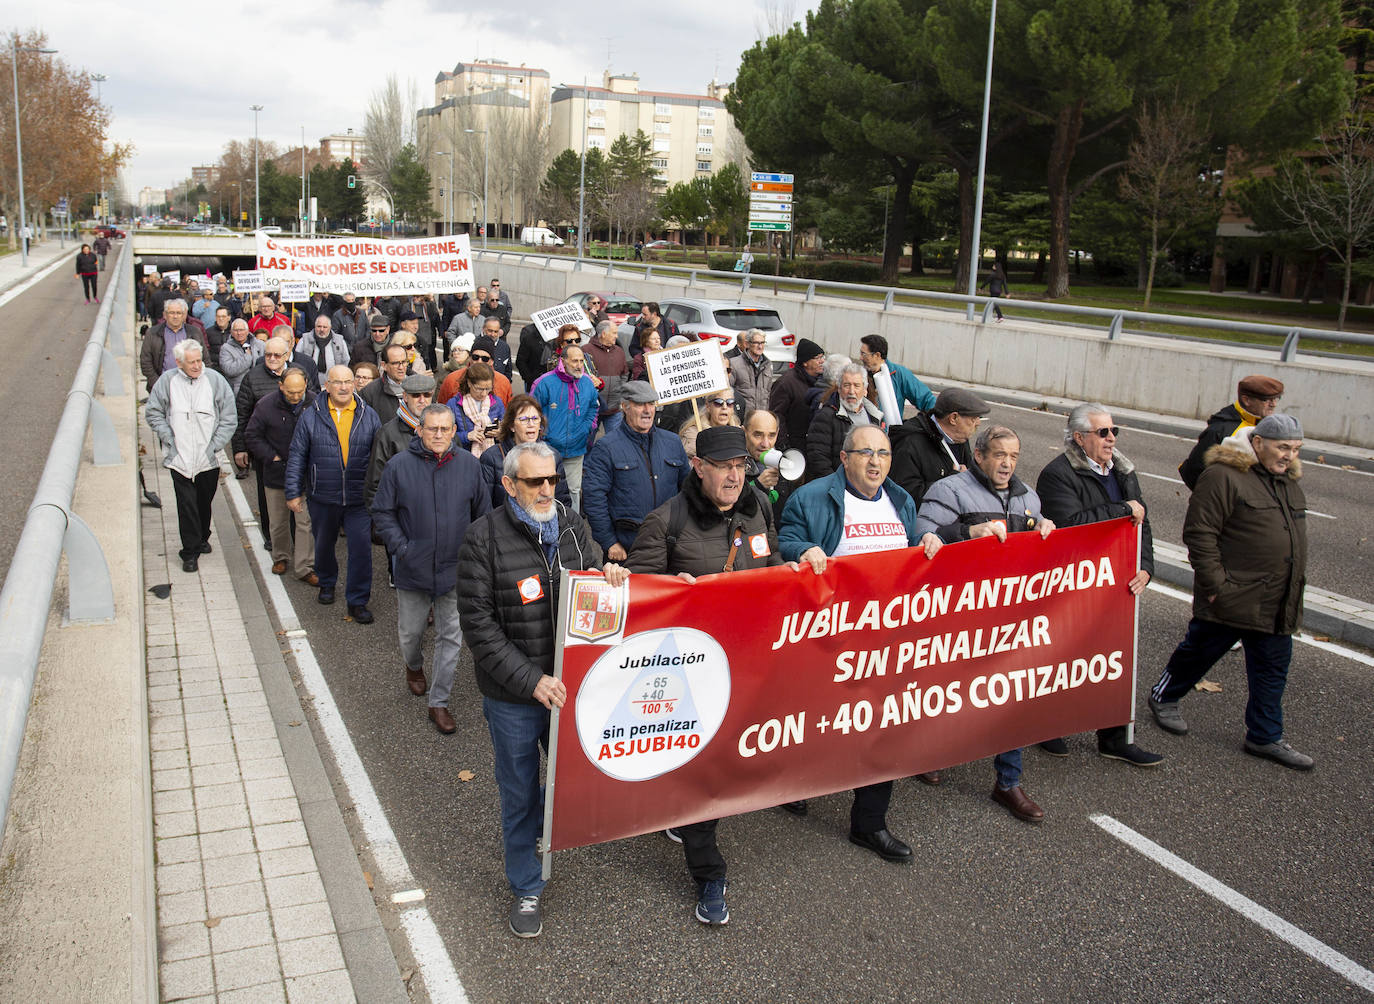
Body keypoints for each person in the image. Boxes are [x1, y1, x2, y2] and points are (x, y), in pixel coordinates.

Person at [456, 441, 628, 938]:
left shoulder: (574, 528)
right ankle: (526, 884)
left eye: (552, 479)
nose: (548, 489)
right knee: (518, 791)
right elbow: (480, 628)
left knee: (570, 780)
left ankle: (546, 831)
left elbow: (595, 580)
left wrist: (610, 574)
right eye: (535, 482)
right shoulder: (481, 540)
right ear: (510, 486)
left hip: (570, 690)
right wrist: (532, 681)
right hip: (515, 697)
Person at [626, 426, 789, 926]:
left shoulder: (758, 509)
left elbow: (774, 567)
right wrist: (671, 591)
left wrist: (800, 570)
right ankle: (708, 872)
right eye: (723, 466)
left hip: (747, 662)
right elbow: (640, 597)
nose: (735, 475)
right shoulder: (665, 521)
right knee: (705, 771)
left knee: (718, 762)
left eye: (741, 465)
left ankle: (677, 812)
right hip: (689, 674)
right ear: (699, 467)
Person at [778, 425, 943, 857]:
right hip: (828, 640)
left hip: (885, 642)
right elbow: (786, 542)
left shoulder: (902, 501)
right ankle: (796, 781)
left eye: (884, 454)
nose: (875, 462)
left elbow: (910, 556)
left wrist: (924, 542)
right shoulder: (810, 498)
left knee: (882, 729)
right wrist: (802, 551)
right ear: (844, 457)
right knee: (817, 721)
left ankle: (869, 823)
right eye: (866, 453)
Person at [1149, 414, 1312, 770]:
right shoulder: (1223, 477)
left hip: (1276, 600)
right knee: (1199, 652)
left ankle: (1265, 736)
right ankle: (1164, 697)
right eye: (1283, 447)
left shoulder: (1287, 482)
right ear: (1257, 443)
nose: (1290, 455)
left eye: (1296, 449)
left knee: (1272, 668)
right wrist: (1216, 586)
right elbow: (1199, 533)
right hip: (1231, 596)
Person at [914, 424, 1056, 823]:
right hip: (959, 615)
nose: (1007, 463)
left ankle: (1008, 782)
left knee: (1011, 691)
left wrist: (1046, 532)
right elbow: (921, 540)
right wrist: (966, 532)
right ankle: (931, 753)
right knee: (949, 688)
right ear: (978, 456)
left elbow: (1035, 550)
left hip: (1008, 618)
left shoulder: (1028, 496)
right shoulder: (950, 491)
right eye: (998, 454)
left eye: (1013, 456)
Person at [1035, 404, 1162, 766]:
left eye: (1113, 431)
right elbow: (1072, 525)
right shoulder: (1058, 474)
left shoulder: (1123, 469)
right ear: (1079, 437)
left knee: (1115, 658)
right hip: (1076, 584)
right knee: (1066, 656)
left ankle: (1116, 737)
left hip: (1118, 584)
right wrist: (1122, 509)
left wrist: (1147, 568)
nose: (1111, 439)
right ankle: (1047, 726)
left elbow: (1143, 524)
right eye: (1103, 432)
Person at [372, 404, 491, 735]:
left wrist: (475, 557)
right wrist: (402, 548)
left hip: (456, 571)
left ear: (454, 431)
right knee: (411, 634)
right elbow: (382, 512)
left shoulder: (469, 466)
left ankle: (439, 702)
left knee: (451, 637)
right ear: (420, 430)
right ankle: (413, 666)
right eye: (432, 429)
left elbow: (483, 516)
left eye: (445, 429)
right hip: (413, 569)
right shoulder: (398, 467)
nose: (439, 435)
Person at [286, 365, 381, 623]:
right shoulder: (311, 415)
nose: (343, 387)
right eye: (337, 382)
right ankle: (327, 582)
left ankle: (357, 600)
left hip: (358, 498)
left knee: (361, 549)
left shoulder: (368, 415)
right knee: (324, 545)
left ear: (354, 384)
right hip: (323, 496)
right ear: (327, 385)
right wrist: (294, 492)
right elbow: (297, 455)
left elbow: (379, 458)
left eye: (348, 381)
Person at [144, 341, 236, 572]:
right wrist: (168, 437)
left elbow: (228, 415)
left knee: (203, 502)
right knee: (186, 506)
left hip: (208, 458)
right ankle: (190, 551)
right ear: (179, 363)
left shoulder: (215, 380)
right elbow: (153, 412)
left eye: (199, 361)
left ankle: (203, 536)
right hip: (179, 457)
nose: (197, 366)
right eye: (191, 362)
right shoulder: (167, 381)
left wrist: (215, 445)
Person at [582, 381, 690, 560]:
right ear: (624, 406)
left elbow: (687, 489)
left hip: (670, 544)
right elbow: (594, 498)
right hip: (627, 549)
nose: (647, 410)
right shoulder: (606, 447)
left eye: (651, 404)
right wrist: (609, 542)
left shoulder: (672, 442)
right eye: (640, 404)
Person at [244, 369, 317, 585]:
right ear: (281, 386)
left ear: (306, 384)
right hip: (277, 474)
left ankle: (304, 566)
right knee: (278, 521)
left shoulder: (316, 403)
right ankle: (281, 556)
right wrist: (271, 456)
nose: (295, 397)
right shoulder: (266, 405)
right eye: (290, 392)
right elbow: (252, 435)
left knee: (306, 522)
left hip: (305, 473)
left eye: (299, 392)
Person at [234, 337, 299, 548]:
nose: (271, 359)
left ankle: (296, 536)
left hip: (296, 450)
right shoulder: (252, 378)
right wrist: (240, 448)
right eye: (267, 354)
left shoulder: (299, 374)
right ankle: (272, 537)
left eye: (276, 355)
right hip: (266, 452)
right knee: (268, 497)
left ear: (287, 355)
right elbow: (242, 415)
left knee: (298, 495)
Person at [1178, 375, 1284, 490]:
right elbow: (1194, 472)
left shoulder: (1272, 428)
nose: (1274, 404)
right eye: (1266, 400)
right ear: (1246, 400)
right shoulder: (1219, 430)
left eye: (1276, 398)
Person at [889, 387, 989, 505]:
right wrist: (952, 483)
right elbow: (906, 496)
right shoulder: (909, 442)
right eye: (973, 419)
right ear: (953, 418)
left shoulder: (960, 437)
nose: (978, 423)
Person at [530, 343, 599, 509]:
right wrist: (541, 436)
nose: (579, 365)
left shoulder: (587, 383)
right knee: (546, 490)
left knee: (574, 490)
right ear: (563, 361)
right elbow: (532, 412)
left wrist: (587, 428)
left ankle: (572, 526)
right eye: (574, 361)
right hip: (548, 450)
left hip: (576, 447)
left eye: (582, 361)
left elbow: (593, 407)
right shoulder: (544, 383)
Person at [479, 395, 573, 510]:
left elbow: (562, 500)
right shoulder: (491, 457)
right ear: (511, 426)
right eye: (524, 419)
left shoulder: (552, 455)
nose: (531, 424)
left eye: (535, 418)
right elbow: (484, 506)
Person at [805, 362, 885, 481]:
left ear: (865, 390)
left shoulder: (875, 417)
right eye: (847, 385)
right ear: (839, 388)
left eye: (856, 386)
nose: (851, 391)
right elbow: (818, 458)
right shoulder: (826, 416)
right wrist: (838, 486)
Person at [365, 373, 434, 508]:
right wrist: (385, 524)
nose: (422, 400)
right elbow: (375, 485)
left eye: (427, 395)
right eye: (416, 395)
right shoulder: (387, 434)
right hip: (401, 515)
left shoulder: (444, 429)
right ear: (405, 397)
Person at [768, 338, 827, 451]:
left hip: (812, 445)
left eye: (822, 357)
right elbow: (777, 415)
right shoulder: (786, 383)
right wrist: (784, 445)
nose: (822, 361)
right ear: (805, 362)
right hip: (794, 445)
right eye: (817, 358)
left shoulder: (821, 382)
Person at [858, 334, 935, 419]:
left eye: (864, 354)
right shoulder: (859, 374)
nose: (860, 358)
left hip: (890, 430)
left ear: (877, 355)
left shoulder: (899, 374)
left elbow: (926, 399)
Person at [742, 408, 798, 522]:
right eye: (758, 435)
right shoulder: (733, 465)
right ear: (744, 432)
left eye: (771, 435)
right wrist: (757, 486)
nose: (765, 444)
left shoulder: (784, 463)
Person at [141, 299, 207, 392]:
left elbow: (205, 359)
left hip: (190, 386)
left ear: (184, 315)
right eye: (171, 313)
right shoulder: (152, 333)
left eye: (178, 313)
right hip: (162, 387)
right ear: (165, 315)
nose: (175, 316)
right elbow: (145, 362)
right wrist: (158, 384)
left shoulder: (195, 332)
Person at [449, 361, 506, 457]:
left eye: (488, 389)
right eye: (479, 389)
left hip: (491, 458)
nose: (484, 393)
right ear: (469, 383)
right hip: (462, 456)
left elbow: (507, 430)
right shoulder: (454, 405)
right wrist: (467, 436)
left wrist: (500, 433)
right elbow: (445, 435)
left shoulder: (497, 403)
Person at [438, 336, 512, 406]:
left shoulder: (503, 383)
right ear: (470, 358)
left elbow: (508, 413)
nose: (479, 361)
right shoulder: (452, 379)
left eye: (485, 359)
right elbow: (441, 410)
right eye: (475, 357)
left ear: (492, 361)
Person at [584, 320, 629, 432]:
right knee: (587, 442)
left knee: (615, 442)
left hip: (615, 409)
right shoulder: (586, 350)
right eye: (614, 333)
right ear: (604, 334)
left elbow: (625, 374)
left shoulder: (619, 351)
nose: (616, 336)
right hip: (593, 409)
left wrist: (620, 393)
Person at [676, 389, 742, 458]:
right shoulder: (693, 434)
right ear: (708, 406)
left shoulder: (739, 433)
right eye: (718, 402)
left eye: (729, 403)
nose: (724, 407)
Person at [728, 328, 779, 414]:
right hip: (742, 417)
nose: (760, 346)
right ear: (747, 344)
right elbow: (728, 391)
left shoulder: (768, 365)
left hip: (761, 417)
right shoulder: (734, 364)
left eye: (762, 343)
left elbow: (769, 393)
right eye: (756, 343)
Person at [360, 343, 409, 426]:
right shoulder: (369, 392)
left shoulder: (420, 387)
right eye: (395, 363)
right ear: (384, 365)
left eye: (404, 362)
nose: (401, 367)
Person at [219, 318, 263, 395]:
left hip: (259, 387)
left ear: (247, 331)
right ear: (231, 332)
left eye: (241, 330)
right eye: (236, 330)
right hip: (238, 391)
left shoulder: (260, 345)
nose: (239, 333)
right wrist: (247, 358)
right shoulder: (225, 348)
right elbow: (229, 370)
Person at [203, 306, 234, 374]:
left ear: (229, 317)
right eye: (218, 316)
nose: (221, 319)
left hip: (231, 368)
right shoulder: (208, 332)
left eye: (223, 316)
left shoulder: (235, 332)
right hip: (214, 369)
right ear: (215, 317)